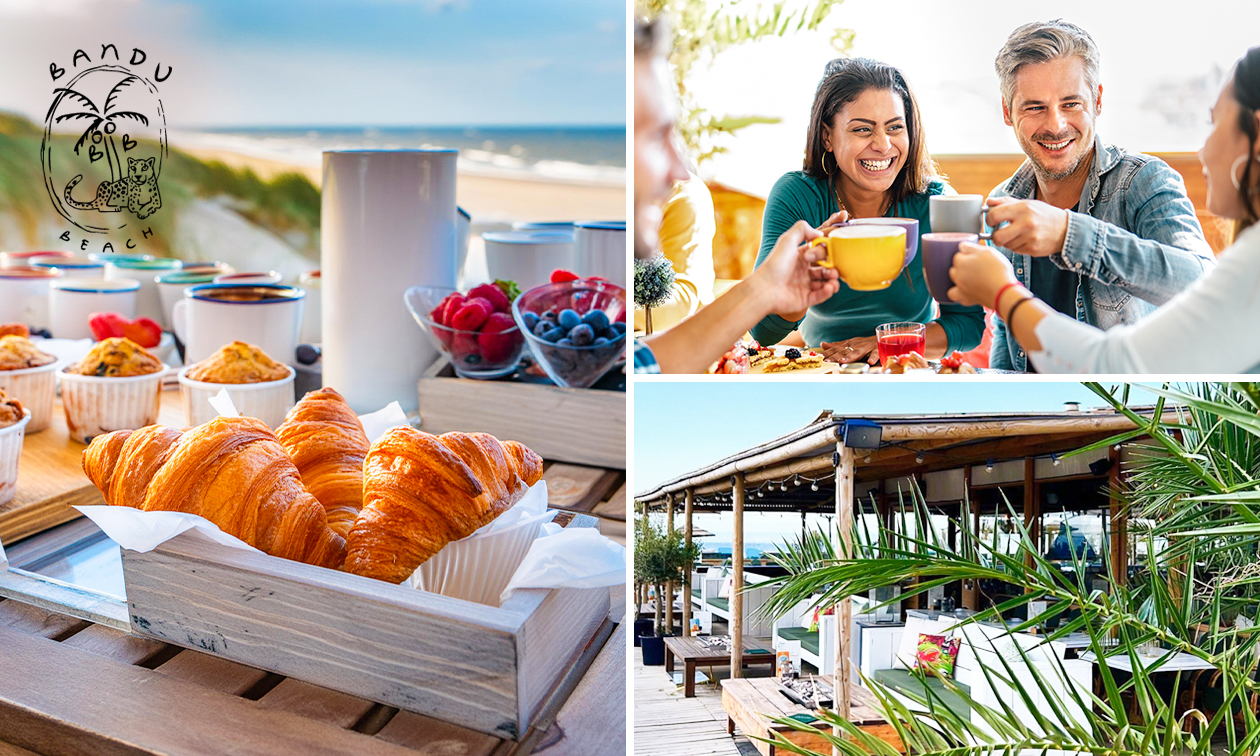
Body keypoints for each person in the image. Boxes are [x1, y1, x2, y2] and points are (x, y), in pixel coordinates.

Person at [947, 46, 1260, 373]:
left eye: (1071, 104)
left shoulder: (1143, 182)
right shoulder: (1005, 198)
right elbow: (1006, 342)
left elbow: (1198, 283)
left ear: (1097, 101)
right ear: (1007, 111)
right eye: (1035, 107)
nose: (1056, 125)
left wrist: (1067, 235)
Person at [633, 12, 840, 374]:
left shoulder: (684, 195)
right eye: (653, 136)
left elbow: (649, 362)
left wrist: (765, 287)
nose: (680, 168)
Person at [751, 58, 985, 365]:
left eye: (895, 128)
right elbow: (762, 331)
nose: (883, 144)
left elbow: (968, 324)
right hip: (822, 368)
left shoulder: (937, 203)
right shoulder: (797, 196)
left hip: (908, 368)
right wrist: (799, 281)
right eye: (863, 129)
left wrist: (887, 343)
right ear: (827, 137)